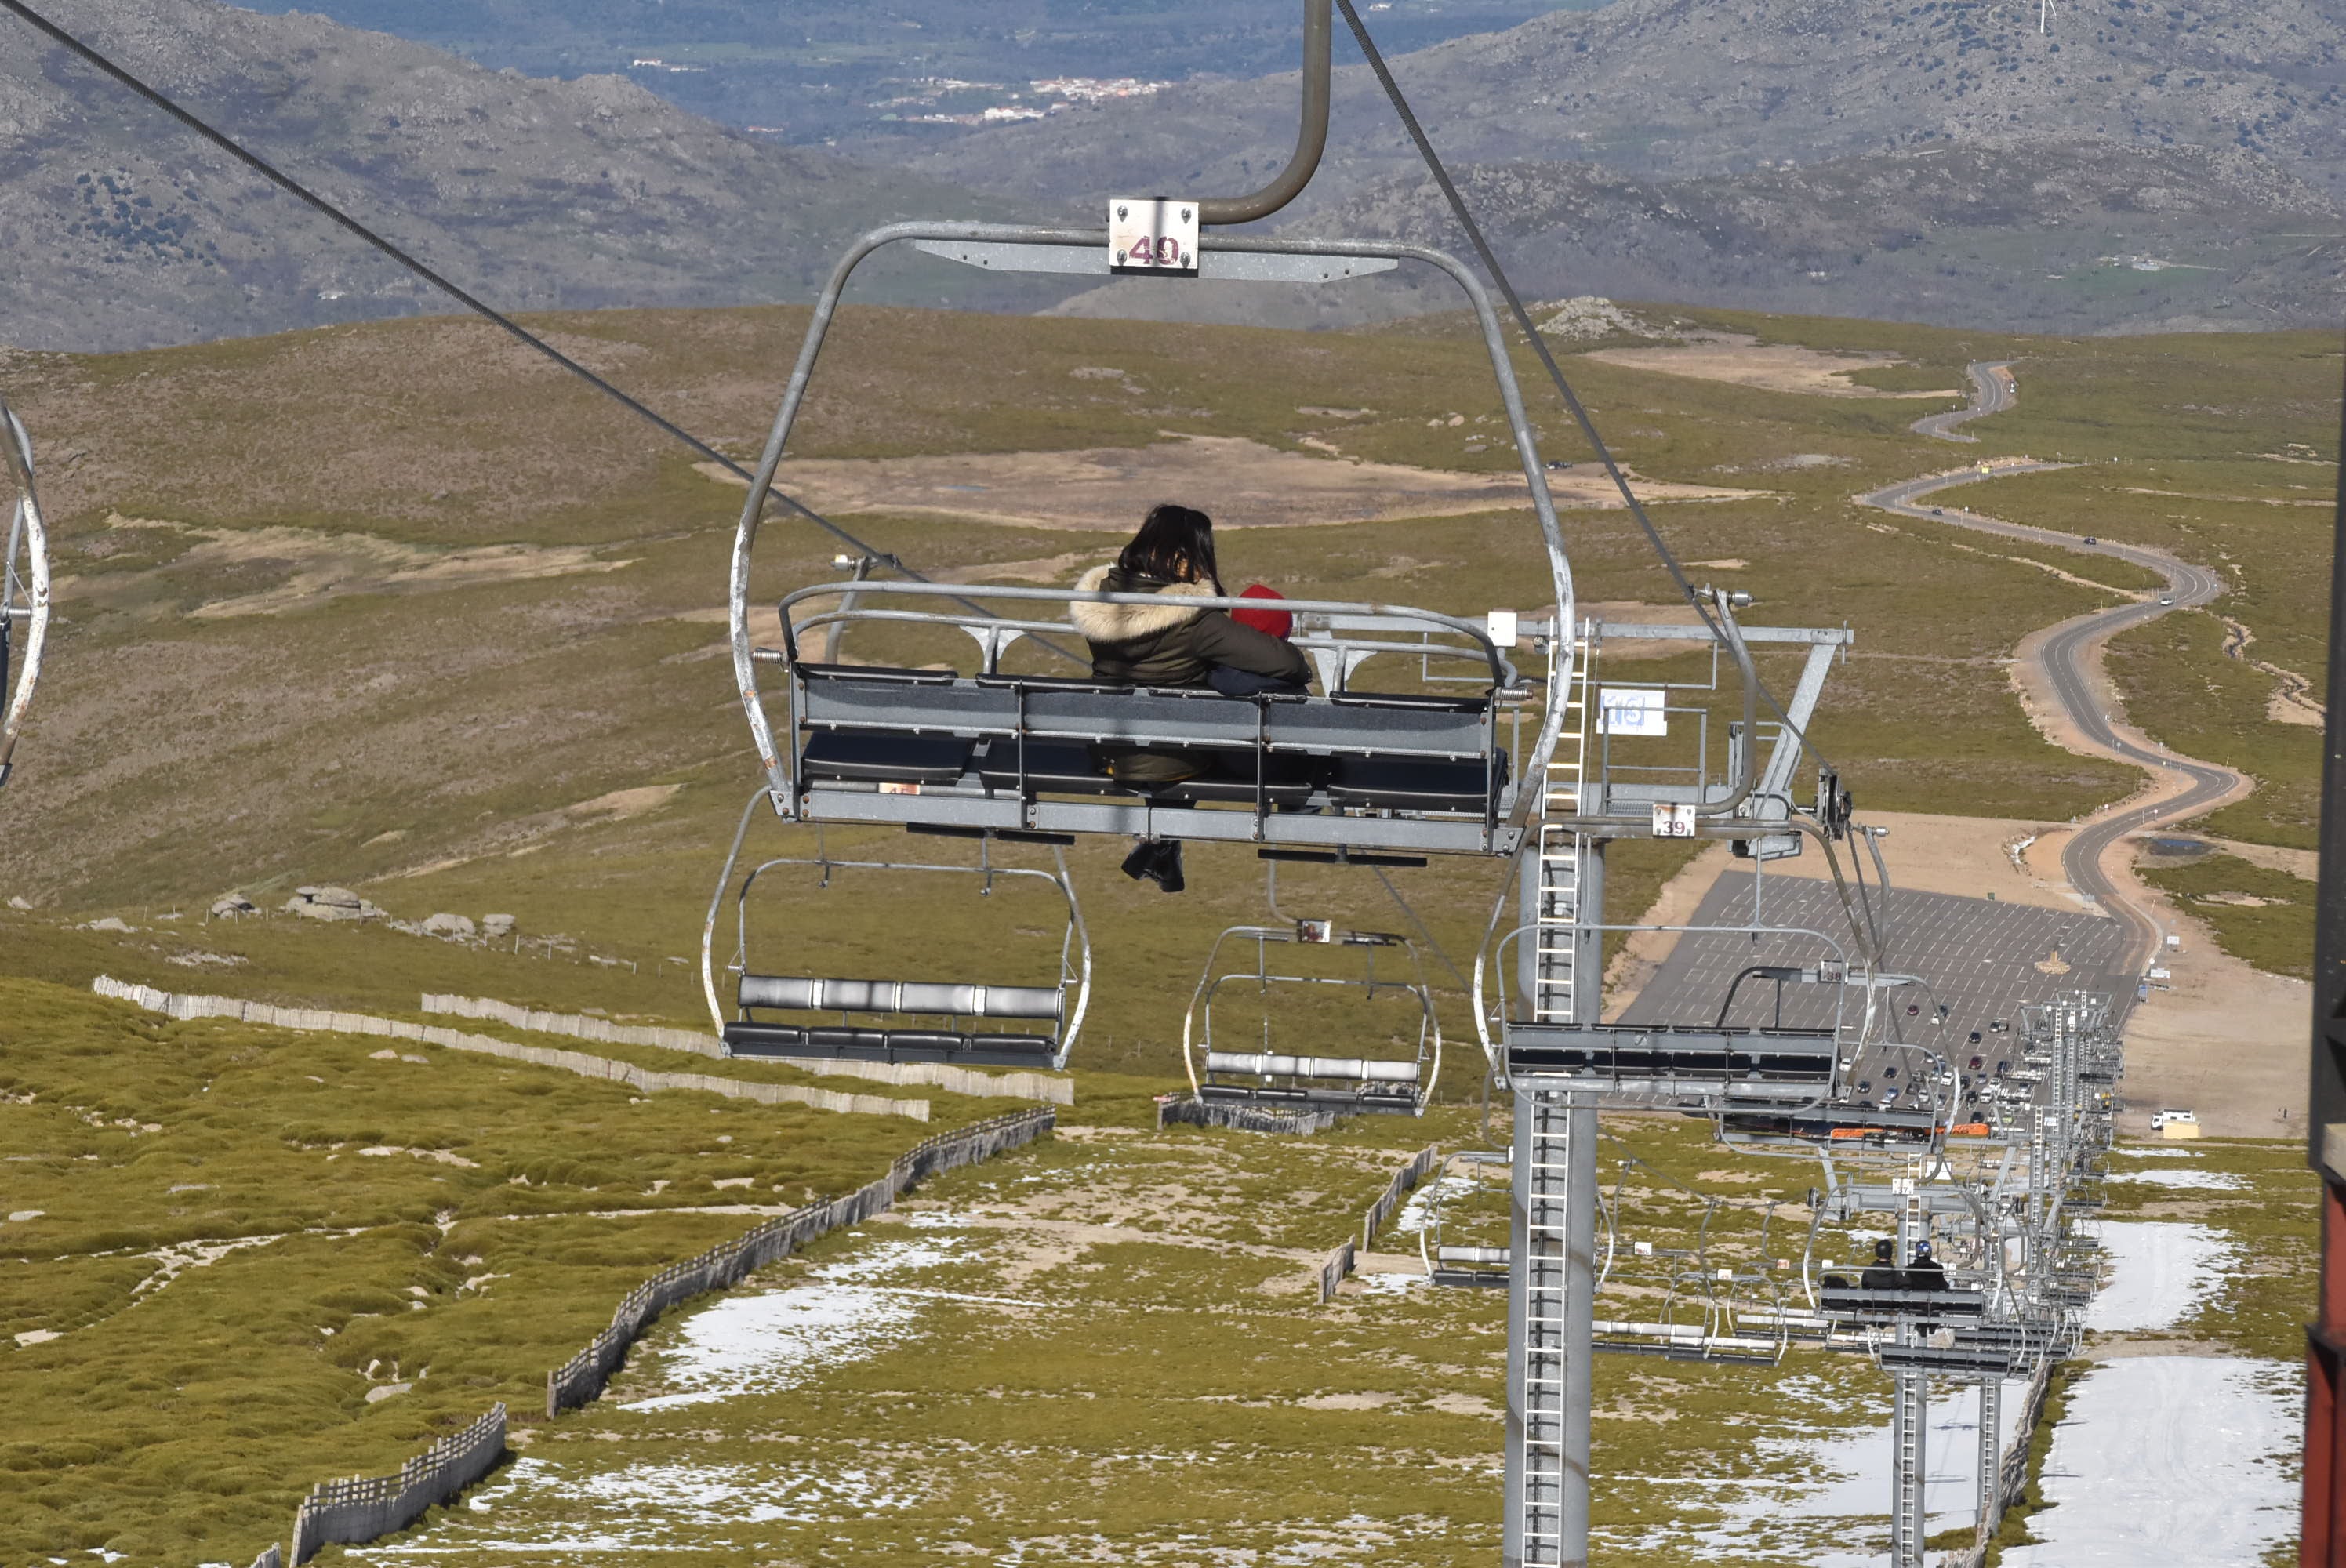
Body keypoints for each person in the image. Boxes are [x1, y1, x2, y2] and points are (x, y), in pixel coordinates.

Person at [1070, 504, 1310, 892]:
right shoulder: (1195, 619)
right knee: (1216, 738)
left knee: (1168, 739)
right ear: (1187, 558)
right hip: (1174, 755)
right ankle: (1162, 844)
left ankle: (1163, 848)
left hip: (1111, 749)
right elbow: (1287, 663)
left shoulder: (1103, 600)